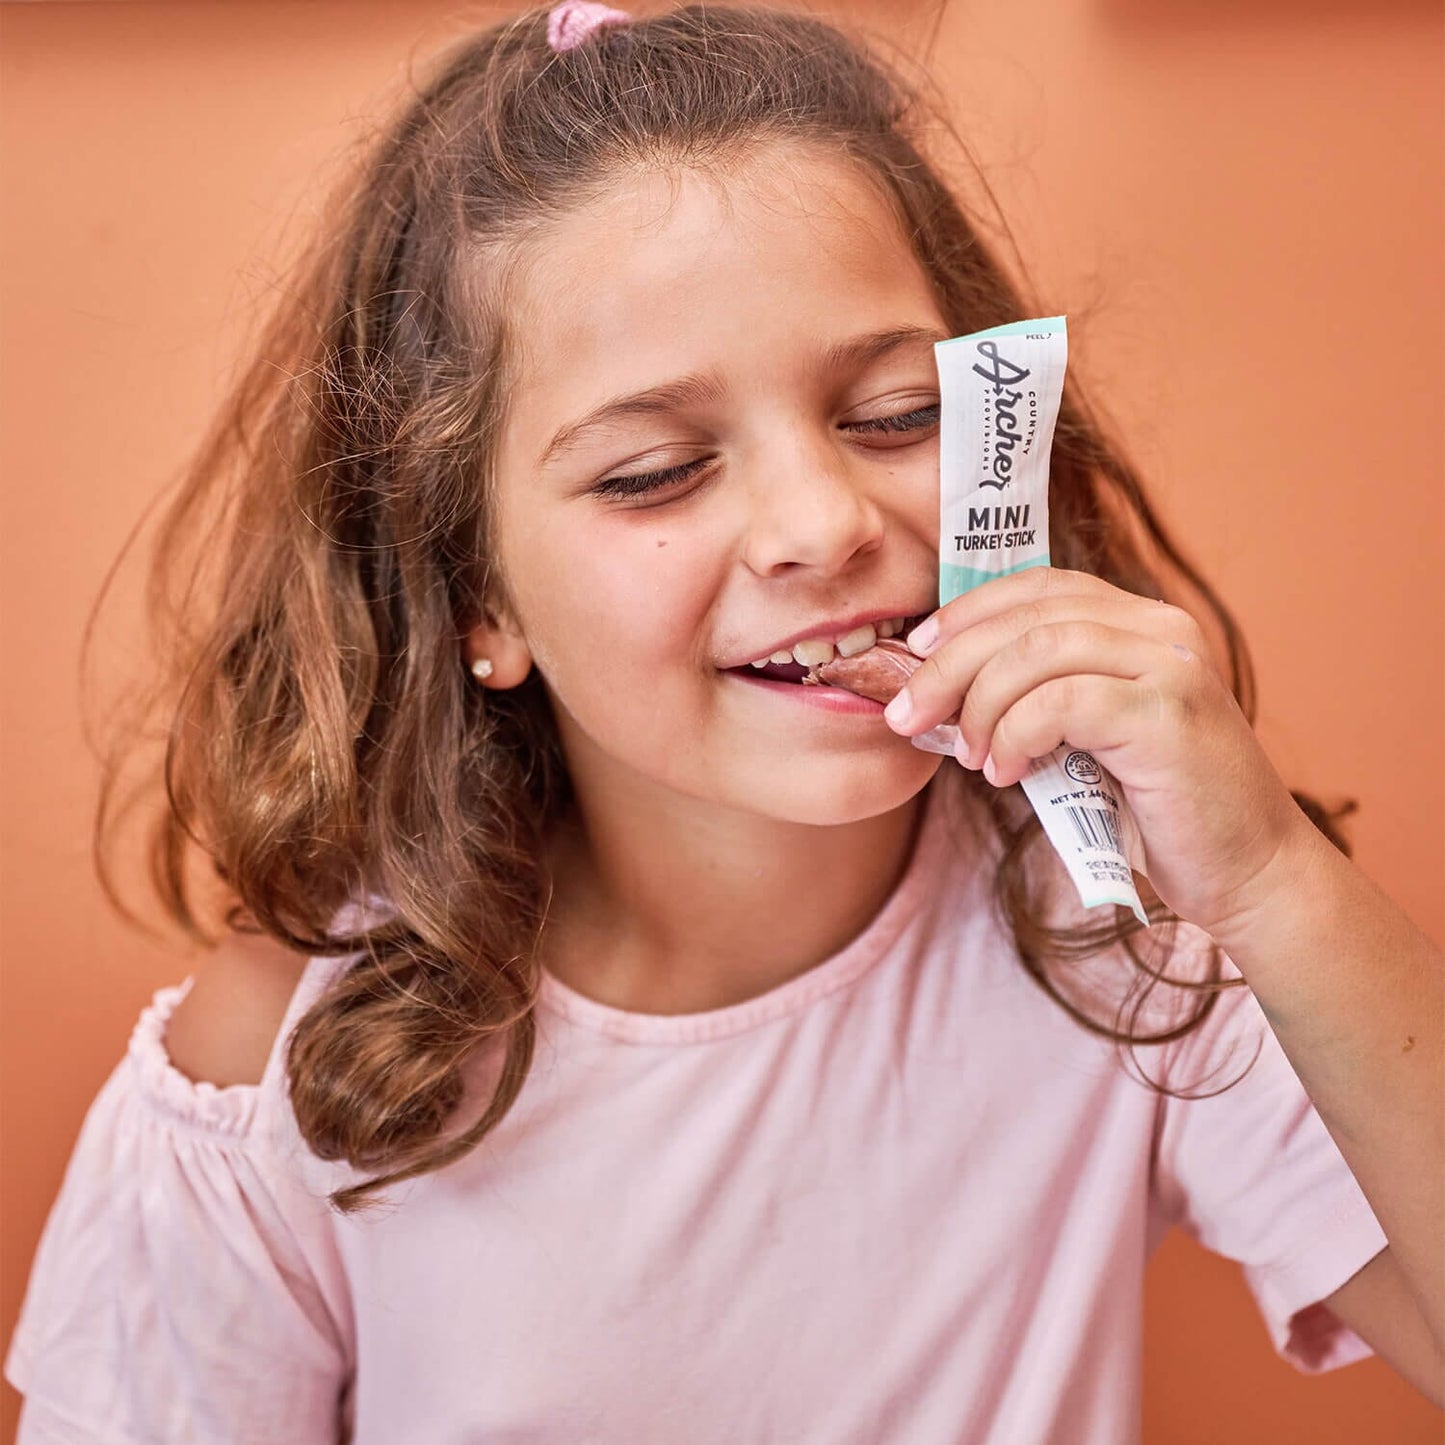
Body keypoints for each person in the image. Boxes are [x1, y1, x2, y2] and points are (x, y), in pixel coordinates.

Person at [6, 3, 1441, 1441]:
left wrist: (1268, 883)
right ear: (472, 597)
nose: (823, 524)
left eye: (888, 414)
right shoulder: (289, 1056)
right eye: (653, 473)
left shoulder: (1115, 933)